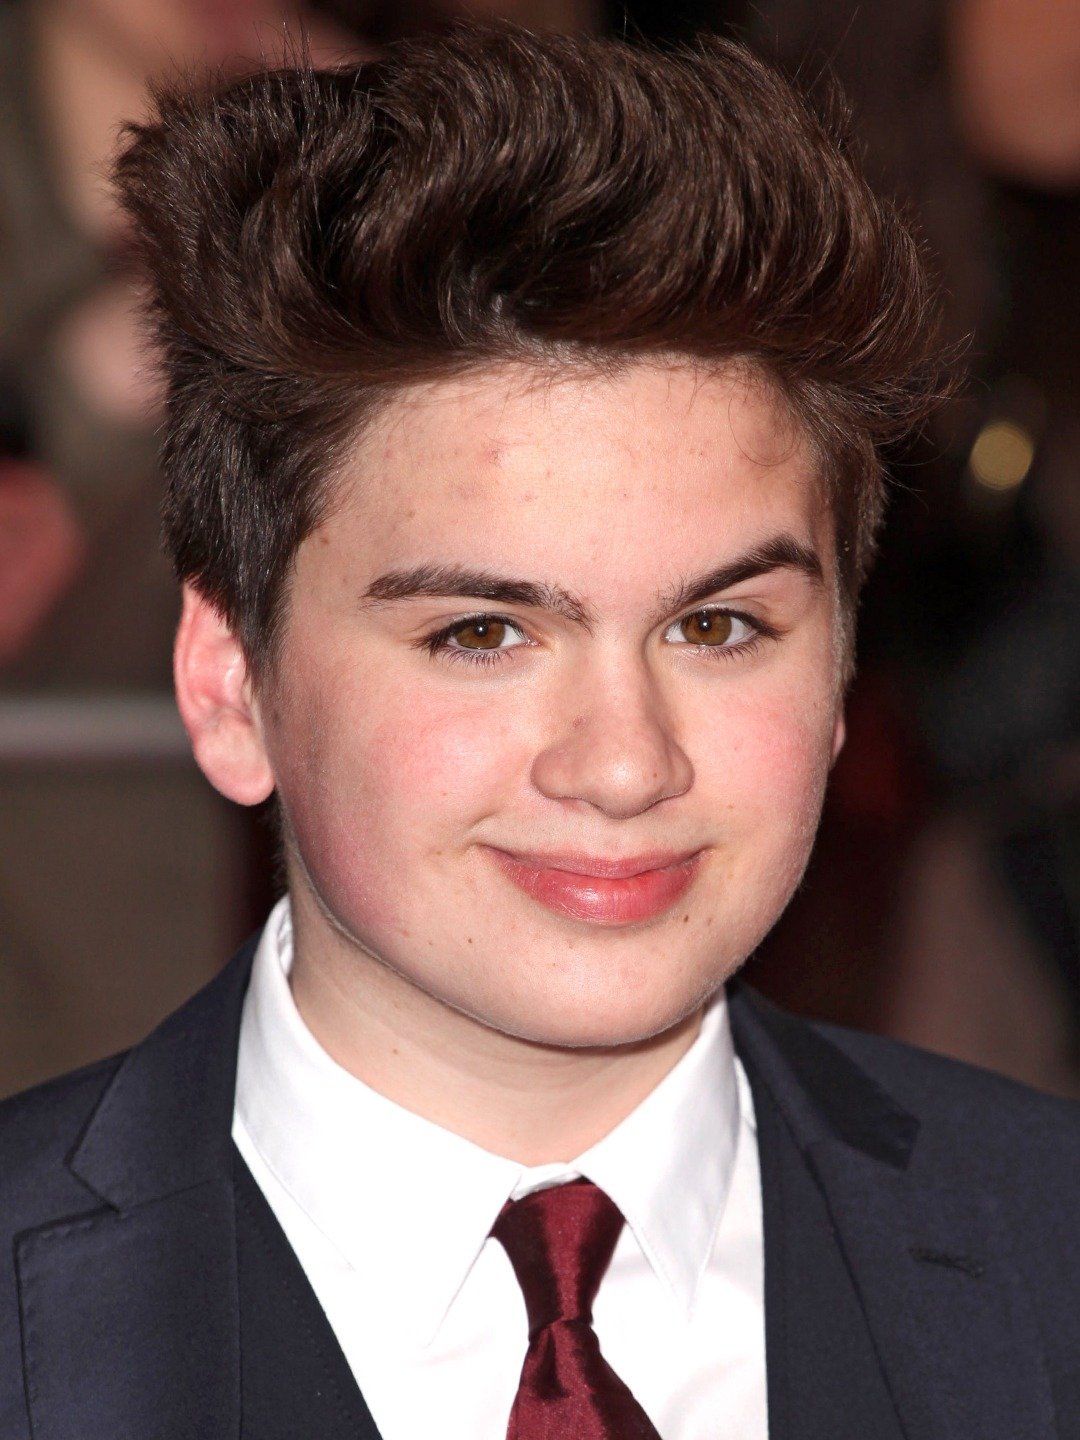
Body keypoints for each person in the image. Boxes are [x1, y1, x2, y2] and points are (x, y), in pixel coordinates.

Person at [1, 23, 1078, 1440]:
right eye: (483, 635)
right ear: (229, 684)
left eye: (718, 628)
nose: (625, 763)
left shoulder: (1048, 1253)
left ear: (841, 674)